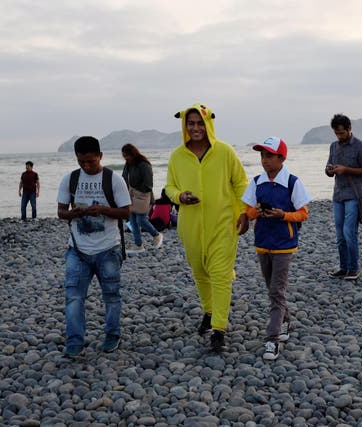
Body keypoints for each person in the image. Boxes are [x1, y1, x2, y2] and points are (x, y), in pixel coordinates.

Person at [165, 103, 248, 352]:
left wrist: (246, 212)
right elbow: (169, 188)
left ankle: (219, 329)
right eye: (191, 123)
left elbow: (241, 182)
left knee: (221, 275)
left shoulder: (224, 152)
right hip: (190, 225)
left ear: (208, 123)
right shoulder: (177, 156)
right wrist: (180, 196)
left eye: (200, 123)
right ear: (184, 126)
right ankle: (209, 311)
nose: (195, 127)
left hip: (223, 224)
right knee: (200, 271)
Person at [57, 136, 131, 358]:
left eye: (90, 161)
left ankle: (112, 335)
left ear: (100, 156)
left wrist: (103, 210)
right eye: (81, 162)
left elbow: (126, 212)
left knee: (111, 295)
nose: (86, 166)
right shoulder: (70, 180)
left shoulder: (114, 180)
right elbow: (61, 212)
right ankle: (74, 342)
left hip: (108, 248)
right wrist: (74, 213)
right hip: (78, 250)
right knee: (73, 297)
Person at [242, 137, 311, 360]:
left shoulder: (292, 182)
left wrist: (283, 215)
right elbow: (248, 211)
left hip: (284, 244)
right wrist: (257, 213)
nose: (264, 160)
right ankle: (285, 322)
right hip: (262, 243)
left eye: (269, 156)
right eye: (262, 155)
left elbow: (303, 213)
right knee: (273, 289)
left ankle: (272, 341)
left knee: (276, 291)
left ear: (282, 158)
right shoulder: (256, 182)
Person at [325, 114, 362, 280]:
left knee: (349, 232)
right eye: (336, 133)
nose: (339, 136)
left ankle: (354, 268)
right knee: (339, 235)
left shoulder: (361, 147)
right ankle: (343, 267)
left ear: (349, 129)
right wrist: (330, 170)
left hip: (354, 194)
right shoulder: (333, 147)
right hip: (338, 195)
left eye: (342, 133)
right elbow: (328, 167)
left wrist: (346, 169)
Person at [121, 144, 163, 250]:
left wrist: (136, 191)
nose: (126, 158)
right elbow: (124, 179)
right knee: (133, 221)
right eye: (124, 156)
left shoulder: (144, 164)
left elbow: (148, 184)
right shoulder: (128, 165)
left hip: (144, 198)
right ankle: (138, 245)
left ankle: (156, 235)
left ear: (133, 153)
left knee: (141, 220)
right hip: (131, 197)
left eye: (127, 155)